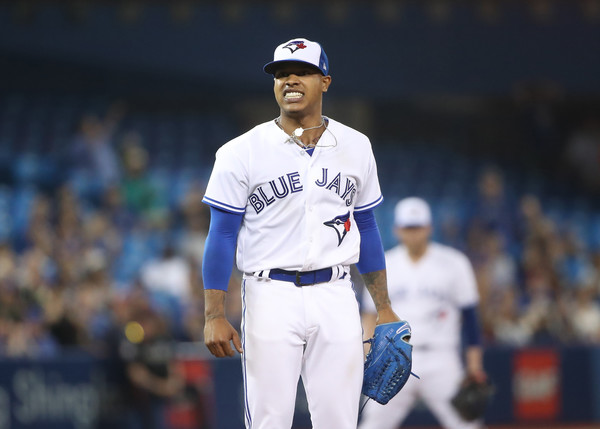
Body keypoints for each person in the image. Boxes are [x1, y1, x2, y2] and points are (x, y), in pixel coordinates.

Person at [201, 37, 402, 429]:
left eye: (302, 72)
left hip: (335, 293)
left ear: (324, 81)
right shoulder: (240, 151)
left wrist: (384, 307)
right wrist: (213, 313)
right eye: (280, 73)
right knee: (269, 420)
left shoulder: (357, 146)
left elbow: (366, 227)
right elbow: (222, 235)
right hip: (269, 294)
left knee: (339, 420)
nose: (289, 79)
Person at [359, 197, 487, 429]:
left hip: (441, 357)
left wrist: (474, 366)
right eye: (408, 227)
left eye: (417, 227)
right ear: (397, 229)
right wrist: (368, 357)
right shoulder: (383, 264)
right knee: (373, 425)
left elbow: (470, 319)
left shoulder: (454, 263)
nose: (413, 233)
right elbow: (369, 315)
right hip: (393, 358)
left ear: (429, 227)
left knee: (466, 424)